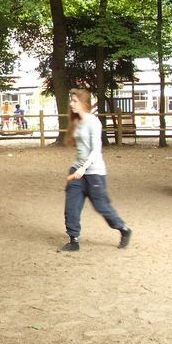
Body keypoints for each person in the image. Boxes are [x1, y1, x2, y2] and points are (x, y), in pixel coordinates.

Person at [58, 88, 132, 252]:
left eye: (75, 101)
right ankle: (73, 240)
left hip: (94, 172)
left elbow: (96, 149)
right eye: (71, 100)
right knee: (71, 207)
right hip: (77, 171)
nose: (71, 104)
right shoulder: (77, 121)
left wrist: (84, 168)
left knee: (102, 206)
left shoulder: (93, 121)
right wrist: (78, 168)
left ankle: (124, 229)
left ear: (84, 103)